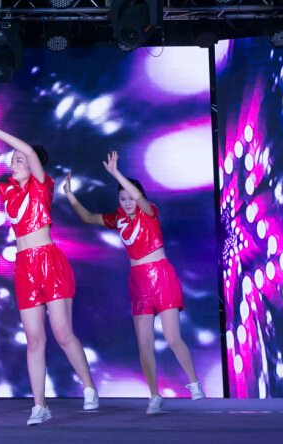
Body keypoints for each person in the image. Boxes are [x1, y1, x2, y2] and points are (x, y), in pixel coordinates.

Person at [0, 122, 98, 425]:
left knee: (63, 334)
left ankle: (89, 387)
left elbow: (28, 150)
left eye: (17, 160)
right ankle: (40, 405)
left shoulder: (42, 184)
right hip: (24, 266)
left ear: (31, 164)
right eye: (11, 160)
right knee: (34, 339)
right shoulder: (8, 192)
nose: (12, 164)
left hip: (49, 262)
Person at [64, 151, 205, 414]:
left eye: (130, 197)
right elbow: (88, 217)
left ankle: (194, 383)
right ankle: (154, 395)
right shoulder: (117, 219)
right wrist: (70, 195)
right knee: (144, 343)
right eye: (122, 198)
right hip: (138, 282)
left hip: (161, 276)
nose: (128, 202)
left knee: (173, 337)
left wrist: (116, 173)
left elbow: (139, 198)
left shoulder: (149, 212)